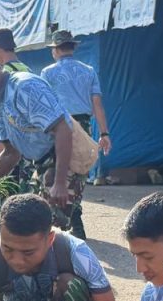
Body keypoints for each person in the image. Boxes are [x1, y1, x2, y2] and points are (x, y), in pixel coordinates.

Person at [0, 51, 81, 231]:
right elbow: (10, 154)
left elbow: (62, 129)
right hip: (40, 163)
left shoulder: (25, 86)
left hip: (63, 158)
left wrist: (60, 182)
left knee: (49, 230)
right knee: (34, 225)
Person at [41, 29, 112, 239]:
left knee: (57, 172)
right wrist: (105, 133)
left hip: (58, 125)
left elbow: (45, 105)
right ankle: (75, 219)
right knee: (79, 173)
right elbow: (97, 104)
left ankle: (64, 221)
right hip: (83, 126)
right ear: (73, 48)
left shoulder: (47, 73)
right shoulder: (88, 71)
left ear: (55, 50)